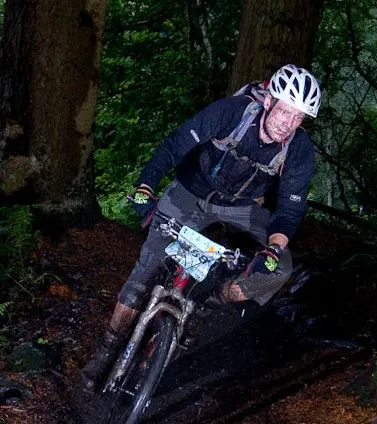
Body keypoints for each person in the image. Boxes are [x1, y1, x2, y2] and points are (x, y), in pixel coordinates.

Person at [81, 64, 321, 392]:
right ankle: (105, 351)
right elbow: (175, 144)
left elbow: (290, 210)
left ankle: (210, 304)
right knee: (144, 273)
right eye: (284, 112)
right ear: (269, 102)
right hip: (189, 192)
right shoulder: (231, 113)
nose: (288, 124)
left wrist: (273, 248)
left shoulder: (299, 149)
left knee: (280, 269)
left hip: (242, 207)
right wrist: (146, 186)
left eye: (298, 118)